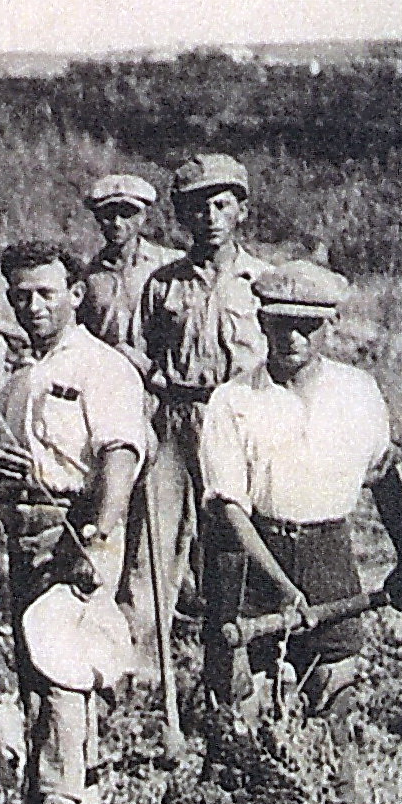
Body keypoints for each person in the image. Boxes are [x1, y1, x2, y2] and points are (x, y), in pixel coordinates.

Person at [194, 261, 402, 723]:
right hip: (251, 560)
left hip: (328, 554)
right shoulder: (233, 400)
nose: (293, 338)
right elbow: (230, 510)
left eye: (307, 326)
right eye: (281, 324)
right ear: (261, 322)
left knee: (334, 700)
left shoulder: (357, 391)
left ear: (331, 324)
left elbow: (383, 478)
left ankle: (335, 793)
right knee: (242, 708)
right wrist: (282, 585)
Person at [0, 240, 151, 804]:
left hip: (78, 526)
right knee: (35, 661)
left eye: (45, 294)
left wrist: (99, 530)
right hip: (26, 525)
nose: (31, 306)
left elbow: (119, 453)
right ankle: (65, 791)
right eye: (21, 295)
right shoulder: (22, 377)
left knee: (68, 661)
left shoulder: (101, 368)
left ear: (75, 295)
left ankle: (65, 798)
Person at [123, 154, 269, 684]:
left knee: (234, 546)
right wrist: (154, 380)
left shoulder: (263, 282)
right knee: (153, 550)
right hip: (175, 422)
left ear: (241, 211)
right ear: (182, 218)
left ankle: (233, 674)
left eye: (221, 204)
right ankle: (139, 681)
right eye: (197, 208)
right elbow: (134, 350)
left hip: (237, 424)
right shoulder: (163, 284)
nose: (210, 216)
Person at [75, 173, 179, 352]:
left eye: (126, 214)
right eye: (108, 215)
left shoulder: (169, 264)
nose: (117, 223)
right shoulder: (89, 276)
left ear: (142, 217)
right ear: (98, 219)